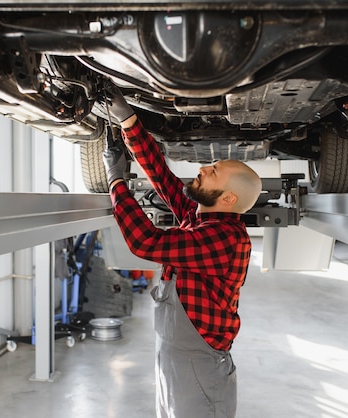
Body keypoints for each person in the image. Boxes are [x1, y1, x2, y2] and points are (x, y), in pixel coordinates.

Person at [101, 84, 262, 418]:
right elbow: (162, 177)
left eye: (214, 171)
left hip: (198, 364)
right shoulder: (201, 218)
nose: (204, 168)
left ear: (228, 198)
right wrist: (128, 120)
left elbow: (147, 242)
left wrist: (117, 182)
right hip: (175, 355)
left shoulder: (225, 239)